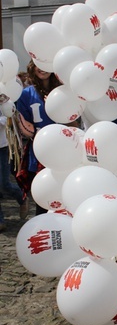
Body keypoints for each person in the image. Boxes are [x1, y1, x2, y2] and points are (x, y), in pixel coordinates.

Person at [15, 60, 62, 215]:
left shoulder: (62, 91)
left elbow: (72, 122)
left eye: (46, 63)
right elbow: (25, 130)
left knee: (62, 191)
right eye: (38, 64)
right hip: (40, 151)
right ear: (32, 67)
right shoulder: (26, 94)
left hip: (63, 147)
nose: (42, 68)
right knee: (43, 192)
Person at [0, 114, 29, 231]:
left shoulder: (2, 99)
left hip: (1, 148)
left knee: (3, 184)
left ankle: (22, 198)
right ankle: (0, 220)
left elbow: (6, 119)